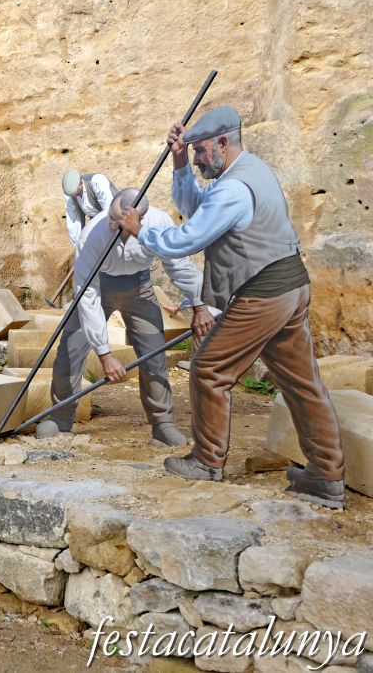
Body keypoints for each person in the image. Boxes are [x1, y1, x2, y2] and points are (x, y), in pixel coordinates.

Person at [115, 105, 345, 509]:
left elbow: (187, 236)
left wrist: (142, 232)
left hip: (264, 293)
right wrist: (182, 162)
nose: (201, 158)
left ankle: (207, 462)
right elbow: (194, 204)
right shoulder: (248, 170)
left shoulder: (233, 190)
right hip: (289, 286)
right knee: (302, 383)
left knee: (208, 370)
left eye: (201, 151)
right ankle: (327, 477)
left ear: (223, 142)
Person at [37, 188, 206, 448]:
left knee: (154, 356)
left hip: (140, 288)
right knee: (70, 348)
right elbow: (87, 295)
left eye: (119, 221)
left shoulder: (159, 224)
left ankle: (162, 424)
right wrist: (104, 354)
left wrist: (199, 304)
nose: (111, 224)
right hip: (99, 287)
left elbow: (179, 265)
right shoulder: (92, 234)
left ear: (138, 220)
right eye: (111, 217)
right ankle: (60, 418)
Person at [62, 170, 119, 247]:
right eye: (72, 194)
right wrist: (78, 246)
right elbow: (73, 220)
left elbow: (109, 210)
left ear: (80, 182)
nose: (74, 196)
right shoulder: (71, 195)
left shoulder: (97, 181)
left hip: (117, 216)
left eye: (74, 193)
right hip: (98, 223)